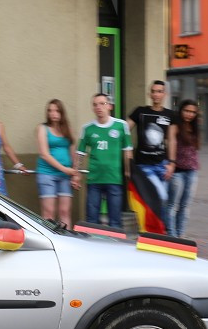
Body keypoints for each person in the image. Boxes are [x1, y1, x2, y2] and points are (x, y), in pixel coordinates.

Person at [77, 93, 133, 228]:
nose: (99, 107)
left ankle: (115, 247)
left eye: (102, 103)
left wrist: (129, 172)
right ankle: (92, 247)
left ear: (110, 106)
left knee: (115, 221)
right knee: (92, 220)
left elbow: (128, 150)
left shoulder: (121, 125)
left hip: (114, 179)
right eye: (95, 104)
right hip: (94, 180)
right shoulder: (87, 128)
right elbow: (80, 153)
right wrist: (76, 173)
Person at [127, 80, 177, 208]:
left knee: (160, 202)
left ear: (165, 94)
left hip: (163, 164)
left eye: (159, 92)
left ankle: (159, 228)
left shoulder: (170, 115)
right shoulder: (140, 112)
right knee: (162, 196)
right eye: (153, 91)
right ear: (149, 94)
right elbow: (124, 131)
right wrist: (129, 153)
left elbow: (171, 139)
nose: (156, 94)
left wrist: (172, 163)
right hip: (144, 164)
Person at [35, 98, 80, 227]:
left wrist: (75, 173)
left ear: (62, 113)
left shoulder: (67, 129)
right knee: (49, 213)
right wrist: (65, 169)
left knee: (65, 211)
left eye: (56, 111)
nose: (53, 114)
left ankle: (66, 240)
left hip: (65, 176)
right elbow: (44, 154)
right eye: (50, 111)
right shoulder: (42, 128)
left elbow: (73, 152)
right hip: (47, 174)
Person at [166, 99, 200, 238]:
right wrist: (172, 163)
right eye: (187, 111)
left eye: (193, 112)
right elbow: (171, 141)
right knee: (173, 205)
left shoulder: (194, 126)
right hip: (177, 170)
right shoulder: (175, 125)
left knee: (185, 205)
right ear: (181, 111)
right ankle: (172, 236)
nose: (189, 114)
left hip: (192, 169)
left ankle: (180, 236)